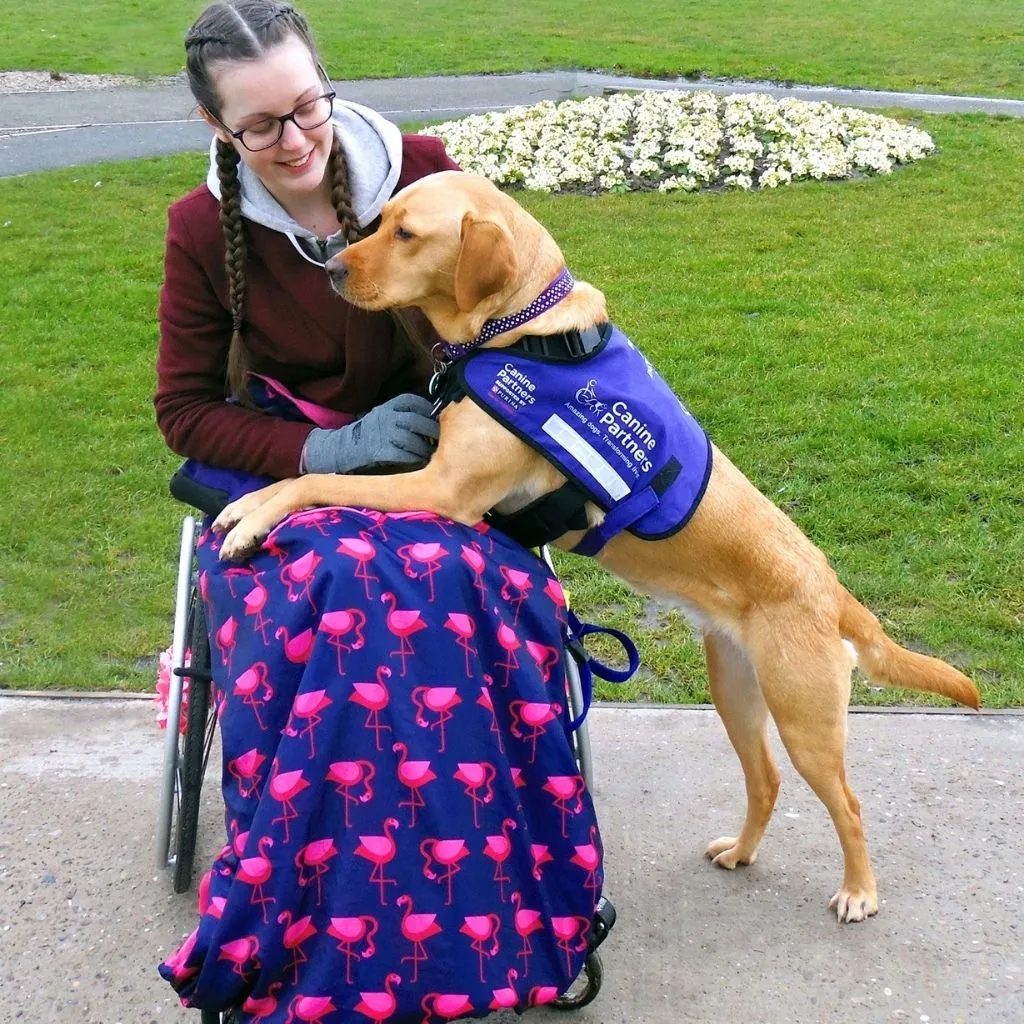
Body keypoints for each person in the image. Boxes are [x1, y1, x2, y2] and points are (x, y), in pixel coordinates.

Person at [155, 3, 606, 1020]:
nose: (297, 139)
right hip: (299, 472)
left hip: (448, 465)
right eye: (261, 125)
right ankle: (320, 920)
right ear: (214, 125)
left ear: (326, 83)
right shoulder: (198, 230)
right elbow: (183, 410)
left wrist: (476, 418)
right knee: (344, 592)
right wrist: (319, 450)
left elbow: (519, 313)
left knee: (458, 590)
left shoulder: (422, 171)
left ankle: (511, 911)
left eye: (305, 105)